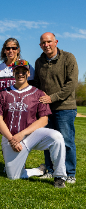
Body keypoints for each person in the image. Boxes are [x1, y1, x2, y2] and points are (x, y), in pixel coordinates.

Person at [0, 59, 67, 188]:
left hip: (32, 135)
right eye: (18, 71)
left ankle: (59, 176)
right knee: (13, 176)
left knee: (56, 137)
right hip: (10, 137)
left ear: (28, 74)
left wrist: (22, 134)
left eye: (24, 71)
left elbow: (44, 119)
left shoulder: (38, 93)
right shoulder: (3, 93)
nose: (20, 74)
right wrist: (11, 139)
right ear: (13, 72)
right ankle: (38, 171)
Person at [35, 32, 78, 184]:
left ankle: (70, 172)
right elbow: (38, 84)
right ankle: (51, 169)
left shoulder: (68, 58)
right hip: (46, 109)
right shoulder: (39, 62)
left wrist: (52, 98)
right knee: (48, 141)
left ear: (56, 42)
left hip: (65, 108)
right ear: (40, 45)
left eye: (49, 42)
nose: (46, 45)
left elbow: (71, 84)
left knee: (66, 141)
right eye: (43, 43)